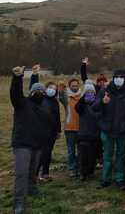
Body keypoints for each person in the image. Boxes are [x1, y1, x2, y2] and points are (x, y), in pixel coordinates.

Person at [10, 66, 52, 214]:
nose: (39, 93)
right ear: (31, 93)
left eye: (42, 92)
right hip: (22, 144)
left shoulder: (45, 109)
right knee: (21, 173)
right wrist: (17, 78)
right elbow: (15, 94)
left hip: (37, 145)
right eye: (36, 91)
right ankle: (19, 202)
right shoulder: (22, 104)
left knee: (32, 171)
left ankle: (32, 189)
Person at [92, 70, 125, 190]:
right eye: (116, 77)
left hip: (123, 130)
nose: (118, 79)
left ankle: (120, 179)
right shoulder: (104, 91)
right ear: (113, 78)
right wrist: (102, 102)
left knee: (121, 155)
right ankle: (105, 179)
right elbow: (94, 107)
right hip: (107, 129)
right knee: (107, 155)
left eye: (121, 77)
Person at [29, 65, 62, 182]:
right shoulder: (41, 99)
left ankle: (45, 173)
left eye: (54, 88)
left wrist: (59, 130)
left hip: (52, 131)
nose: (52, 89)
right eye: (50, 87)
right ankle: (35, 174)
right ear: (46, 88)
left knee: (48, 153)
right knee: (41, 153)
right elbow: (32, 89)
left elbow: (57, 116)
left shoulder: (55, 101)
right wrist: (34, 75)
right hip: (42, 131)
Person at [75, 82, 100, 182]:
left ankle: (91, 172)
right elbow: (77, 107)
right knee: (83, 156)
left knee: (93, 156)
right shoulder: (81, 106)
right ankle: (83, 173)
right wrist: (83, 98)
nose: (90, 94)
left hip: (95, 134)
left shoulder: (97, 104)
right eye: (88, 92)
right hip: (84, 135)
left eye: (92, 92)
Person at [59, 78, 81, 178]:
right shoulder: (66, 97)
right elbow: (60, 96)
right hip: (69, 128)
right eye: (73, 85)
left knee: (81, 150)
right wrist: (61, 88)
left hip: (81, 128)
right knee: (71, 150)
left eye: (76, 85)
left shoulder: (82, 97)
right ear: (69, 86)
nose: (75, 87)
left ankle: (80, 168)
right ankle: (72, 169)